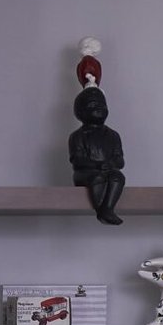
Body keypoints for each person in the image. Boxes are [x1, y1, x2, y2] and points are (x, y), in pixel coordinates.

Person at [69, 86, 126, 224]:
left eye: (102, 104)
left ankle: (107, 209)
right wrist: (97, 165)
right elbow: (77, 161)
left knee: (117, 176)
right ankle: (101, 211)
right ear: (80, 112)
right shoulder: (77, 136)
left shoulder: (113, 135)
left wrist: (112, 164)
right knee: (97, 177)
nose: (99, 108)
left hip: (108, 170)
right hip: (85, 174)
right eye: (93, 105)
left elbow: (120, 160)